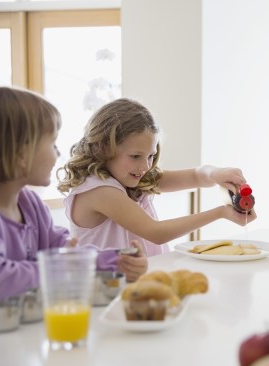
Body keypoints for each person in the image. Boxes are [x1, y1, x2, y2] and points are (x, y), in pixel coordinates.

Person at [0, 86, 148, 302]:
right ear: (21, 153)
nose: (58, 153)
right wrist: (60, 268)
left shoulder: (30, 205)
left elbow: (64, 248)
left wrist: (116, 260)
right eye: (53, 143)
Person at [57, 98, 256, 256]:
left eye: (150, 156)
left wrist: (217, 174)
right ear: (104, 148)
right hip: (109, 292)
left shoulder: (130, 177)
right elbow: (156, 232)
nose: (145, 166)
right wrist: (220, 213)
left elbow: (196, 176)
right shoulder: (99, 190)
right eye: (135, 156)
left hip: (141, 284)